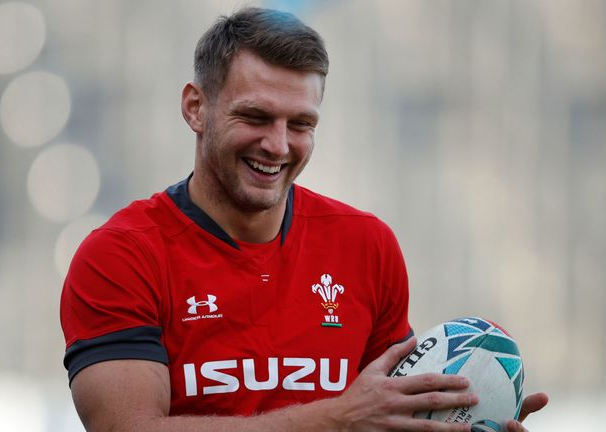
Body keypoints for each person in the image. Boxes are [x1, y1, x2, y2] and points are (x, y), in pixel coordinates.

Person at [60, 7, 548, 431]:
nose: (278, 145)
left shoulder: (366, 245)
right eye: (254, 117)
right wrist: (337, 419)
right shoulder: (121, 256)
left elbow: (387, 418)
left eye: (300, 124)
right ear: (195, 108)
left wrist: (458, 418)